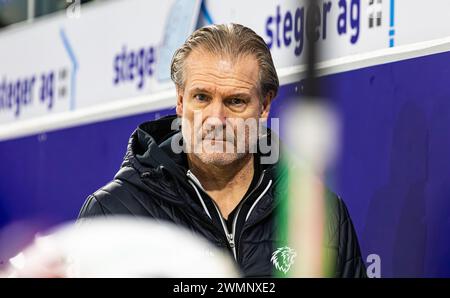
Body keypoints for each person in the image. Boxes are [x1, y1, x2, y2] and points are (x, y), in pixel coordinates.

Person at [78, 23, 366, 277]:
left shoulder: (318, 213)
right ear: (180, 102)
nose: (216, 119)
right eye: (201, 98)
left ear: (264, 106)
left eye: (236, 101)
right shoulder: (112, 213)